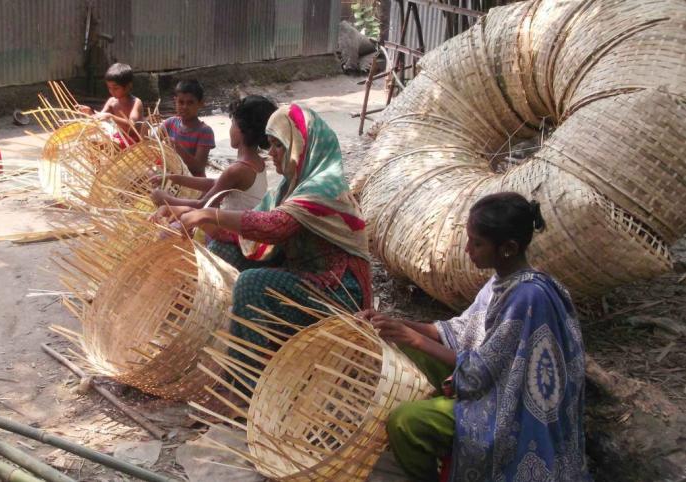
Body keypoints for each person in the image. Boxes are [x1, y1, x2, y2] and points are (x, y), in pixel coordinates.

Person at [358, 192, 588, 482]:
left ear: (508, 247)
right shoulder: (501, 282)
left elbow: (486, 370)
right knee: (406, 349)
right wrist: (395, 325)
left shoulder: (528, 297)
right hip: (486, 379)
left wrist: (416, 339)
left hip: (510, 409)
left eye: (476, 243)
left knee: (405, 422)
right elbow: (458, 331)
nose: (468, 249)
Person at [162, 104, 371, 380]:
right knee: (229, 249)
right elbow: (247, 231)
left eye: (278, 146)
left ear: (302, 146)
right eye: (270, 144)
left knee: (252, 282)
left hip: (337, 291)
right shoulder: (289, 187)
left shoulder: (323, 188)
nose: (271, 152)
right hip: (304, 277)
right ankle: (209, 336)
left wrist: (206, 214)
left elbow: (274, 227)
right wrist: (189, 214)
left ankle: (243, 382)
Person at [150, 95, 277, 244]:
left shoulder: (238, 169)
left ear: (241, 130)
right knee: (178, 214)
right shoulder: (256, 162)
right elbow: (215, 183)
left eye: (232, 124)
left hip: (234, 237)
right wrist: (175, 178)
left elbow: (203, 205)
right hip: (243, 231)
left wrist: (166, 199)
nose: (230, 129)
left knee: (167, 234)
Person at [77, 63, 145, 146]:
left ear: (128, 86)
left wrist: (111, 116)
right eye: (109, 88)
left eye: (116, 88)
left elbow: (132, 126)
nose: (111, 91)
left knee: (109, 144)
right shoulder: (112, 101)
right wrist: (90, 112)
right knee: (92, 141)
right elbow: (100, 117)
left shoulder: (136, 102)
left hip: (133, 141)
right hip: (118, 136)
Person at [162, 79, 215, 177]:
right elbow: (151, 141)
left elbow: (198, 167)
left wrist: (178, 148)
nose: (185, 107)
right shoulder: (170, 123)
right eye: (181, 102)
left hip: (193, 184)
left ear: (200, 103)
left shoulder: (205, 131)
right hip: (173, 180)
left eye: (190, 103)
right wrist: (144, 124)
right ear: (175, 101)